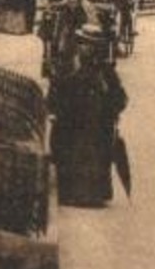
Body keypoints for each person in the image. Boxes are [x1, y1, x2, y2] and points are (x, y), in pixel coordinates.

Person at [49, 25, 128, 208]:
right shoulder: (70, 65)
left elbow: (119, 96)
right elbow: (59, 88)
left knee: (94, 156)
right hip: (74, 121)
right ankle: (72, 193)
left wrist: (111, 110)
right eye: (83, 44)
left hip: (97, 123)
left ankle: (94, 194)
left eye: (90, 45)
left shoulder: (105, 70)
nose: (86, 48)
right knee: (74, 153)